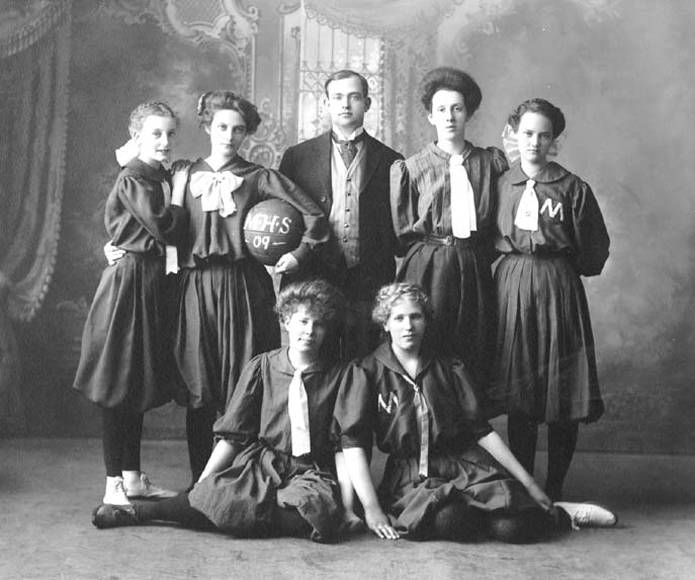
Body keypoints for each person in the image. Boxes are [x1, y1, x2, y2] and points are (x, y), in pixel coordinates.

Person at [335, 283, 616, 542]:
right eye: (398, 318)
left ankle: (563, 514)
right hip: (410, 477)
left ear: (426, 321)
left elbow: (481, 430)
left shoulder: (448, 366)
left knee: (512, 529)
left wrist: (529, 484)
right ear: (384, 323)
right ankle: (474, 515)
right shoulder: (366, 371)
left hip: (463, 464)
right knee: (451, 521)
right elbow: (353, 443)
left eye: (416, 316)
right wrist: (371, 508)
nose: (408, 326)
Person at [92, 279, 355, 543]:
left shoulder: (341, 375)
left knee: (321, 515)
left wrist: (348, 507)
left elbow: (342, 447)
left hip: (309, 470)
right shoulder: (262, 367)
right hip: (263, 463)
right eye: (303, 321)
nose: (310, 331)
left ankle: (248, 513)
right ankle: (138, 512)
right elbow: (233, 435)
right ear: (286, 322)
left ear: (327, 329)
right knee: (215, 496)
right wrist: (202, 485)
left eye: (319, 324)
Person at [488, 98, 610, 501]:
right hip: (511, 286)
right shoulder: (501, 183)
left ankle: (555, 489)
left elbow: (594, 252)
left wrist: (559, 264)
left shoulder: (573, 188)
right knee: (519, 391)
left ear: (554, 139)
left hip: (559, 287)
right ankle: (526, 488)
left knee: (562, 390)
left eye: (543, 135)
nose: (534, 143)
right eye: (527, 134)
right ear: (514, 134)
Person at [73, 102, 189, 505]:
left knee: (135, 380)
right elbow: (164, 224)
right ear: (137, 136)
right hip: (129, 285)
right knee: (119, 382)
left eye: (170, 134)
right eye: (155, 133)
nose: (165, 141)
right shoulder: (135, 176)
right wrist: (181, 199)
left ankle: (134, 477)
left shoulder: (157, 175)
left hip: (150, 281)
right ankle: (113, 484)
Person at [390, 67, 506, 388]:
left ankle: (469, 427)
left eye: (457, 108)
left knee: (473, 342)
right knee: (430, 341)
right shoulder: (411, 168)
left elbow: (499, 221)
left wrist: (475, 254)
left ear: (468, 112)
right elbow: (402, 232)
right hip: (428, 266)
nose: (450, 116)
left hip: (473, 264)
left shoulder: (490, 163)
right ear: (430, 116)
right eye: (441, 109)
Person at [279, 69, 403, 360]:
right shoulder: (297, 157)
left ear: (368, 104)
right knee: (315, 358)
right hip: (313, 273)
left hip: (369, 278)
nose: (345, 104)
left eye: (354, 97)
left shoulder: (391, 160)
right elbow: (285, 217)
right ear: (326, 104)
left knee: (364, 357)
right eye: (337, 97)